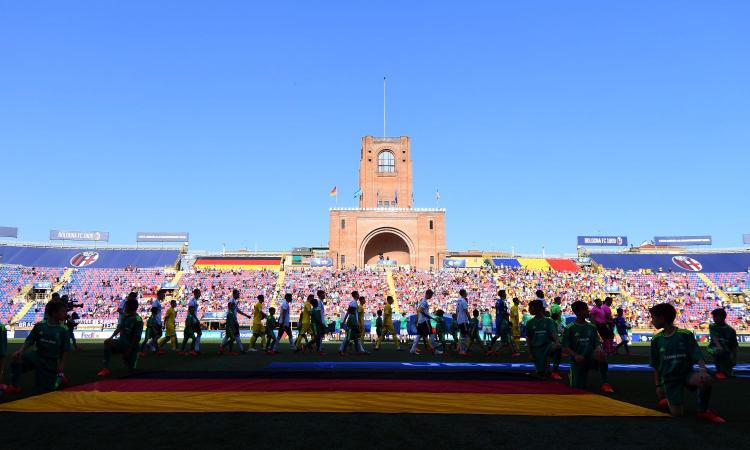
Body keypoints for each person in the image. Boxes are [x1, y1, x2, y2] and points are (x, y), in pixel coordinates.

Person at [649, 303, 724, 422]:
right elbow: (655, 365)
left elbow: (697, 355)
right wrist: (658, 385)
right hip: (670, 380)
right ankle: (667, 401)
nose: (651, 321)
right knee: (677, 414)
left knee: (706, 379)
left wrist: (703, 371)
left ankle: (703, 412)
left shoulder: (685, 335)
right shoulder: (656, 340)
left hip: (686, 375)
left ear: (662, 318)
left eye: (653, 318)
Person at [6, 300, 70, 393]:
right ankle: (14, 386)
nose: (65, 314)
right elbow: (30, 340)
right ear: (54, 312)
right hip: (36, 356)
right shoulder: (40, 325)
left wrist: (61, 366)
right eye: (63, 312)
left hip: (50, 361)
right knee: (16, 358)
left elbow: (65, 349)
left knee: (44, 390)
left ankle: (59, 378)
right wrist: (21, 351)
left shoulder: (64, 329)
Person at [562, 301, 613, 393]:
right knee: (577, 387)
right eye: (585, 309)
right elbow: (565, 347)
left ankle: (605, 383)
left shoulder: (592, 327)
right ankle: (573, 373)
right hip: (577, 359)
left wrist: (599, 349)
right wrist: (575, 356)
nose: (588, 311)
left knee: (601, 354)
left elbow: (597, 343)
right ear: (577, 312)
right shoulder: (569, 328)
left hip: (590, 357)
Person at [97, 295, 143, 377]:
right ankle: (105, 369)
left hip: (131, 347)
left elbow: (137, 338)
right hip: (122, 343)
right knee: (108, 343)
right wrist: (110, 338)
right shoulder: (126, 317)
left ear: (129, 308)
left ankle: (129, 357)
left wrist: (129, 350)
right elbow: (119, 328)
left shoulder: (138, 320)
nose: (124, 308)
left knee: (131, 370)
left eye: (125, 307)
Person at [525, 299, 562, 379]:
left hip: (547, 347)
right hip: (536, 350)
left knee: (558, 347)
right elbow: (528, 339)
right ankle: (545, 367)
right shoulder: (529, 323)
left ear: (538, 308)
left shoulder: (549, 321)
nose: (529, 310)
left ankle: (554, 371)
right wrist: (530, 353)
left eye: (531, 307)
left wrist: (557, 342)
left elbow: (554, 333)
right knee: (541, 374)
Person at [708, 308, 738, 379]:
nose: (714, 319)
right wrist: (719, 347)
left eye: (715, 317)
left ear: (722, 317)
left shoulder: (731, 330)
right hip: (711, 348)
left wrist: (734, 358)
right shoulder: (712, 326)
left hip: (726, 352)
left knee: (728, 373)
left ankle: (726, 370)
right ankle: (719, 371)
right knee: (718, 351)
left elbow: (734, 345)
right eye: (713, 317)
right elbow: (714, 337)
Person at [488, 290, 520, 357]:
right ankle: (513, 352)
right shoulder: (503, 302)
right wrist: (508, 321)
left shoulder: (497, 301)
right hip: (503, 321)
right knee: (507, 335)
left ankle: (490, 348)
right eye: (505, 293)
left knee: (498, 335)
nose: (506, 294)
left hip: (498, 319)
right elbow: (504, 313)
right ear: (502, 294)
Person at [219, 289, 251, 354]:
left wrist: (246, 315)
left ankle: (223, 347)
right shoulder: (232, 301)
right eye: (238, 293)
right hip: (232, 321)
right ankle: (223, 347)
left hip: (233, 321)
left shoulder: (234, 301)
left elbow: (237, 310)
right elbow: (232, 309)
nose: (239, 295)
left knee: (230, 336)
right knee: (234, 336)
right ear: (234, 294)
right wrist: (234, 321)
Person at [410, 289, 440, 354]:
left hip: (421, 321)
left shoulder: (423, 301)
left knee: (418, 336)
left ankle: (413, 349)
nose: (431, 297)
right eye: (431, 295)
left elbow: (419, 310)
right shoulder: (424, 301)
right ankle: (434, 349)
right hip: (425, 321)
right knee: (431, 333)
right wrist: (429, 317)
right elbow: (421, 310)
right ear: (428, 294)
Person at [455, 289, 470, 355]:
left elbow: (456, 311)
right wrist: (470, 319)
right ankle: (462, 351)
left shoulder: (458, 301)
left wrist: (457, 319)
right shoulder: (464, 301)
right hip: (463, 320)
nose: (467, 293)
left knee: (462, 335)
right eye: (466, 292)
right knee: (464, 336)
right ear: (464, 293)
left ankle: (461, 350)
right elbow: (466, 311)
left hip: (459, 320)